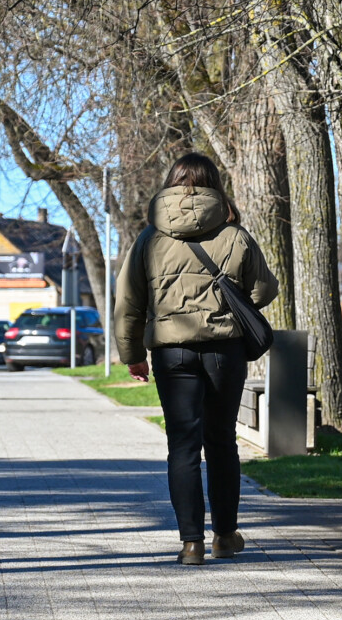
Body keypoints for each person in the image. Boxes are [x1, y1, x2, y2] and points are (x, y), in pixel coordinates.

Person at [115, 152, 279, 565]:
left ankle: (191, 543)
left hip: (171, 352)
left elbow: (129, 303)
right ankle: (224, 536)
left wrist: (133, 354)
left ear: (170, 184)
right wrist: (228, 306)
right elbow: (264, 290)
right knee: (221, 442)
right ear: (214, 186)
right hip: (225, 350)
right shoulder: (235, 236)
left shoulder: (149, 239)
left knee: (183, 446)